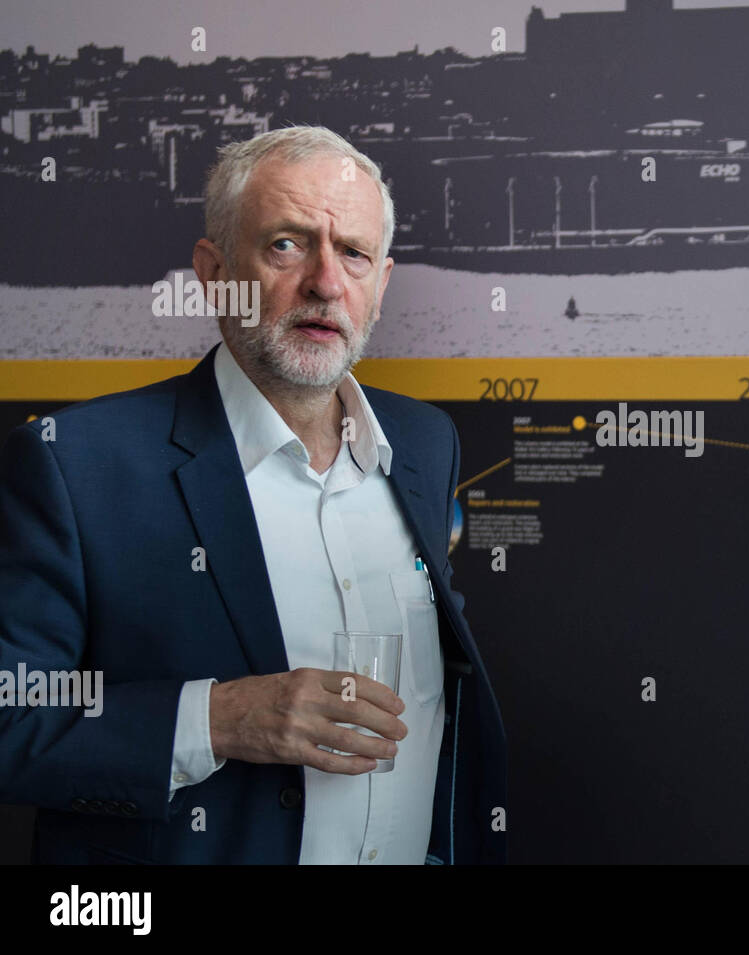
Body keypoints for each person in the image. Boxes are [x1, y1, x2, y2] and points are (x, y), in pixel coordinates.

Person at [0, 125, 506, 864]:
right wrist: (221, 718)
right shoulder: (76, 466)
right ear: (212, 271)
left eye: (354, 254)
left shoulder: (426, 443)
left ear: (381, 283)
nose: (327, 282)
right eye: (287, 245)